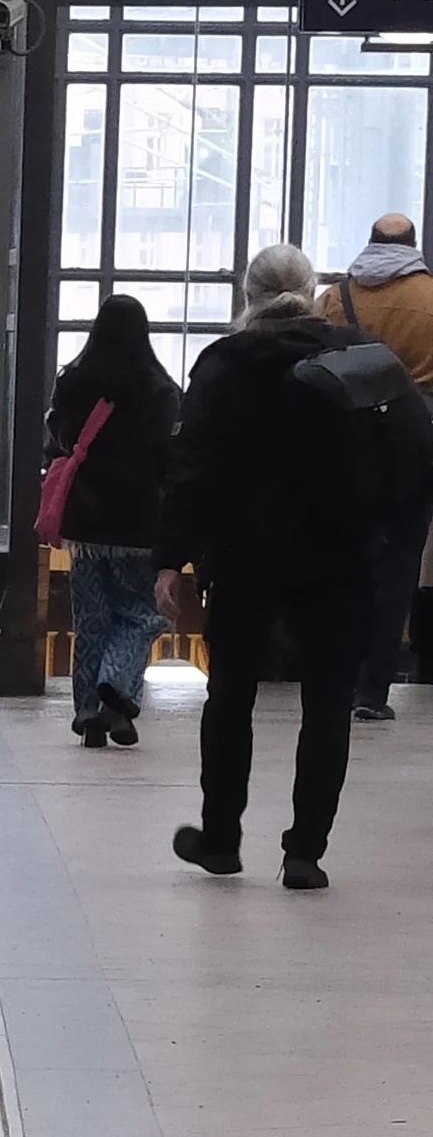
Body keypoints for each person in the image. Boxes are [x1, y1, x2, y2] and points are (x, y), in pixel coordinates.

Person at [161, 240, 388, 887]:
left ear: (249, 296)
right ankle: (305, 852)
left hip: (242, 555)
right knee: (327, 701)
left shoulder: (224, 363)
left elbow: (190, 467)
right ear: (312, 289)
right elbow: (410, 449)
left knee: (230, 694)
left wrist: (170, 557)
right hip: (339, 556)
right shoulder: (358, 359)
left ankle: (222, 838)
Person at [42, 291, 179, 744]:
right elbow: (170, 461)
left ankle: (90, 713)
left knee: (92, 619)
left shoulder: (74, 382)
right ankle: (116, 689)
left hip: (85, 521)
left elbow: (57, 441)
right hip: (138, 522)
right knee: (141, 615)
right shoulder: (159, 390)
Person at [340, 207, 433, 713]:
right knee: (398, 567)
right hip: (414, 449)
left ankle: (337, 674)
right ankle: (372, 689)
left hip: (344, 447)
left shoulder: (335, 297)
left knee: (346, 563)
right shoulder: (431, 299)